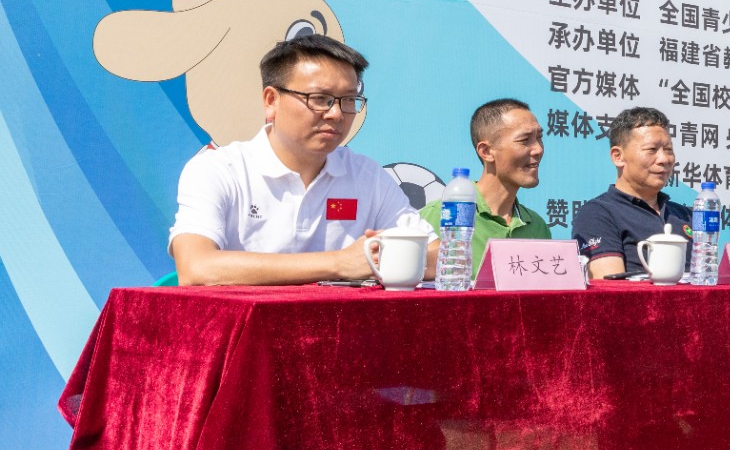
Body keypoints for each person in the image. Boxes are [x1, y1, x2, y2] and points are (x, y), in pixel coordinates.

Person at [169, 34, 432, 285]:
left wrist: (388, 257)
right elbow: (196, 267)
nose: (336, 114)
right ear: (271, 100)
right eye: (320, 99)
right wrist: (338, 263)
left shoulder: (367, 176)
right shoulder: (219, 170)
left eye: (349, 99)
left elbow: (435, 257)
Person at [419, 98, 551, 278]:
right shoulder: (438, 217)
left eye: (539, 138)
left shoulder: (537, 226)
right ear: (486, 151)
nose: (538, 149)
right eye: (525, 140)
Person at [574, 107, 691, 279]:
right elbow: (610, 289)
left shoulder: (686, 215)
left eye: (668, 150)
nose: (664, 159)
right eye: (652, 149)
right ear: (618, 156)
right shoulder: (597, 214)